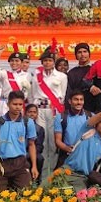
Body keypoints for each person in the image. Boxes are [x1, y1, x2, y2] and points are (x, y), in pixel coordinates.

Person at [29, 46, 68, 179]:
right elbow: (32, 94)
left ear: (54, 61)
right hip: (40, 110)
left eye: (49, 60)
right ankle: (43, 174)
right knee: (42, 141)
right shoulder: (36, 77)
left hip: (54, 110)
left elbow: (62, 95)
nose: (47, 63)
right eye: (44, 61)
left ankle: (52, 174)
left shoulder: (62, 76)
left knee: (53, 142)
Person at [0, 90, 39, 190]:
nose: (17, 107)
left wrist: (34, 166)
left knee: (26, 194)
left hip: (20, 163)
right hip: (1, 163)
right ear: (8, 104)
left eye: (20, 104)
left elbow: (32, 145)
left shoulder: (27, 122)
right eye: (14, 104)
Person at [0, 43, 32, 117]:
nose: (14, 63)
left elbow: (26, 94)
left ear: (21, 62)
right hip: (4, 105)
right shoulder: (5, 74)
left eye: (17, 61)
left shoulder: (27, 76)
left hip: (18, 106)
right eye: (12, 61)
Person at [54, 91, 94, 167]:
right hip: (67, 155)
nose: (79, 102)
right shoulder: (60, 117)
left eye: (81, 100)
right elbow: (58, 140)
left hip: (85, 156)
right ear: (69, 101)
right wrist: (68, 149)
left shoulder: (91, 116)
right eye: (76, 99)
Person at [66, 42, 96, 112]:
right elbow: (69, 92)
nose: (82, 54)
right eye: (79, 52)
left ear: (89, 54)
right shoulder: (72, 73)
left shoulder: (96, 69)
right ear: (76, 55)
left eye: (85, 51)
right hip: (77, 108)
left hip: (94, 107)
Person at [26, 104, 45, 183]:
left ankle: (37, 181)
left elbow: (39, 145)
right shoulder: (21, 126)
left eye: (34, 112)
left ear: (37, 114)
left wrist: (31, 153)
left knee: (39, 158)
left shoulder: (40, 129)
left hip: (34, 152)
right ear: (25, 113)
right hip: (21, 152)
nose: (32, 114)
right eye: (30, 112)